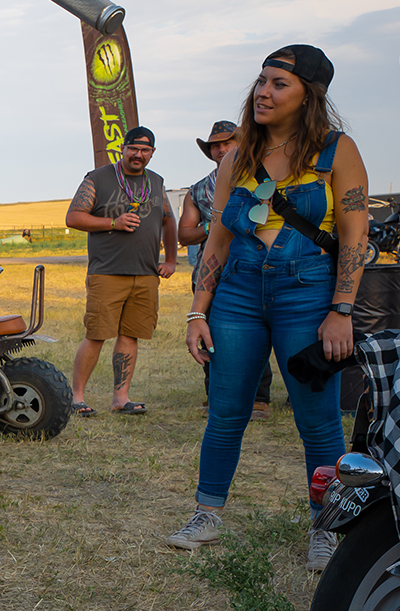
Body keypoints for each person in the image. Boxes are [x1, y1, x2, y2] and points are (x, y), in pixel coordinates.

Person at [170, 45, 369, 572]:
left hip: (307, 294)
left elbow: (353, 236)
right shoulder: (238, 155)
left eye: (280, 83)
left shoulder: (335, 151)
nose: (263, 91)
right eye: (261, 81)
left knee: (319, 421)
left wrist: (341, 309)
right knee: (226, 411)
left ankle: (325, 531)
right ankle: (206, 515)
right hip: (236, 296)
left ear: (309, 94)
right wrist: (197, 311)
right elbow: (216, 241)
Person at [65, 126, 177, 416]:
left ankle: (121, 398)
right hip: (107, 272)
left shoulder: (156, 181)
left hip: (146, 273)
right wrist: (112, 223)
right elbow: (74, 217)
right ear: (123, 149)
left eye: (145, 150)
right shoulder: (98, 178)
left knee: (130, 335)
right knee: (97, 334)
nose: (139, 155)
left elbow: (167, 219)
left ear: (152, 153)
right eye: (134, 149)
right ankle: (76, 397)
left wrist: (172, 259)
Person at [182, 120, 275, 420]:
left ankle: (259, 399)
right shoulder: (198, 191)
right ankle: (215, 396)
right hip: (212, 272)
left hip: (255, 267)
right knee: (213, 335)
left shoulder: (265, 179)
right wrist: (218, 225)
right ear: (209, 152)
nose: (221, 149)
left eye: (228, 142)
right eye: (215, 145)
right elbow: (184, 235)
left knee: (258, 333)